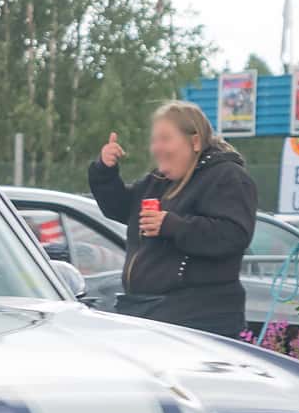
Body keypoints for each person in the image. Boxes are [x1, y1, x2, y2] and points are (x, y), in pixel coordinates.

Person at [88, 101, 257, 338]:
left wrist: (172, 225)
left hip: (200, 320)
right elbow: (119, 207)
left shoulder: (227, 177)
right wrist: (104, 171)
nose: (156, 148)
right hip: (149, 313)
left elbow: (232, 235)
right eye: (154, 140)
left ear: (195, 141)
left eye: (165, 139)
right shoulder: (158, 182)